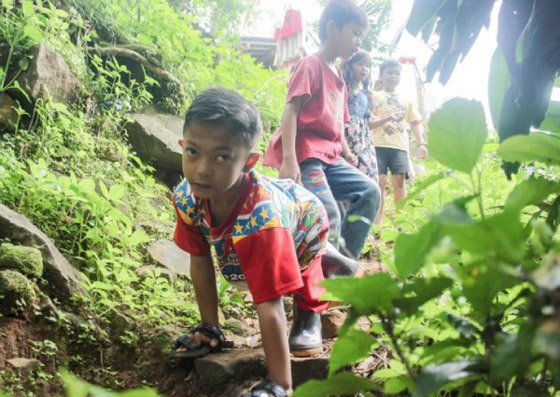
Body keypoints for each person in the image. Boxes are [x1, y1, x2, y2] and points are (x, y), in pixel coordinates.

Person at [171, 87, 357, 397]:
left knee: (298, 278)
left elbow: (269, 304)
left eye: (221, 156)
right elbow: (200, 259)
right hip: (260, 219)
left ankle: (320, 277)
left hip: (304, 221)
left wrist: (280, 384)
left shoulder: (262, 220)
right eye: (193, 151)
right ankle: (213, 329)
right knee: (247, 266)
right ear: (181, 146)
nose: (202, 168)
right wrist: (209, 327)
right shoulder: (187, 197)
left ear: (249, 161)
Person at [264, 0, 380, 260]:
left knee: (370, 192)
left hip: (331, 158)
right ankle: (318, 289)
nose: (358, 41)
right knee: (329, 215)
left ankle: (343, 271)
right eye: (355, 33)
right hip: (306, 155)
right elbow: (291, 111)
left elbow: (338, 122)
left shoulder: (338, 76)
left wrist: (347, 153)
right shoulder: (310, 65)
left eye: (362, 35)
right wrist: (289, 160)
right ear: (332, 28)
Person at [370, 59, 427, 224]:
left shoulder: (406, 99)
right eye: (390, 72)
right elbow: (367, 117)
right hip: (377, 144)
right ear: (381, 75)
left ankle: (401, 221)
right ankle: (377, 222)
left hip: (399, 146)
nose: (394, 76)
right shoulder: (374, 97)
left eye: (397, 73)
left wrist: (421, 143)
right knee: (379, 181)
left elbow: (414, 121)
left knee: (399, 182)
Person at [343, 49, 378, 181]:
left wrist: (387, 120)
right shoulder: (342, 88)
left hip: (363, 142)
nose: (365, 69)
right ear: (349, 65)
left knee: (367, 177)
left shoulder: (366, 95)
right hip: (345, 137)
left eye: (368, 65)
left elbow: (367, 124)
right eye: (360, 64)